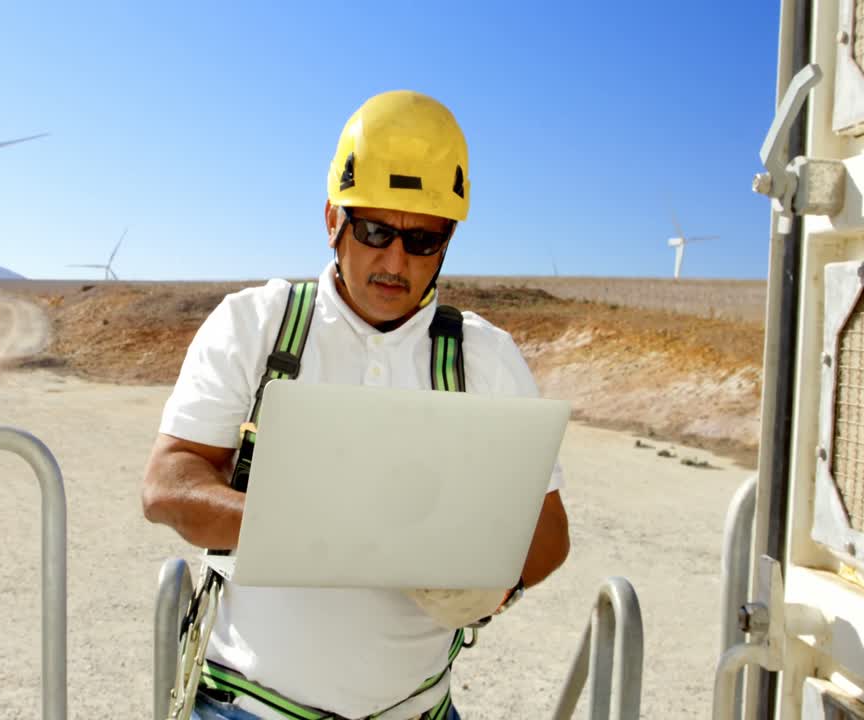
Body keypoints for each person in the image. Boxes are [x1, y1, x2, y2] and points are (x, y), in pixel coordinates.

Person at [142, 89, 570, 720]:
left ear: (448, 241)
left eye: (423, 240)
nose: (395, 260)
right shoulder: (256, 326)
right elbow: (167, 485)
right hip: (251, 708)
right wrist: (309, 522)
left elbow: (549, 534)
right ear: (331, 220)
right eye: (375, 230)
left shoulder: (484, 358)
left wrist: (488, 585)